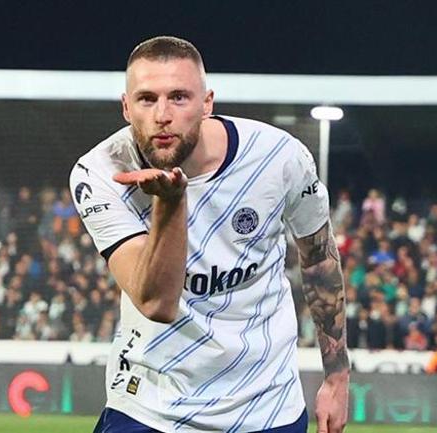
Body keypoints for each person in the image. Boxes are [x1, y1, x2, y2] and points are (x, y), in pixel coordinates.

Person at [70, 36, 349, 433]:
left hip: (267, 409)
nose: (162, 115)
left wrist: (336, 376)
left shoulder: (279, 157)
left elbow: (319, 260)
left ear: (207, 103)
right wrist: (170, 203)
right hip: (149, 407)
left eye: (179, 97)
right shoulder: (101, 173)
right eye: (147, 99)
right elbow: (156, 302)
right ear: (126, 107)